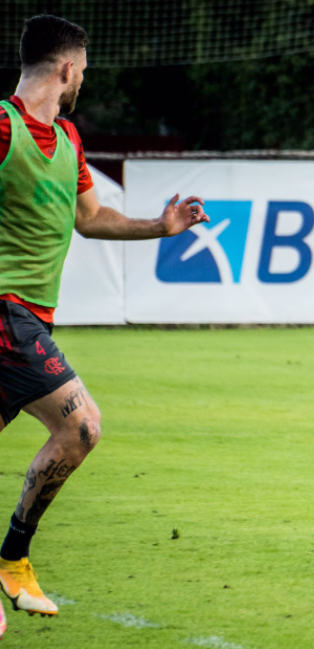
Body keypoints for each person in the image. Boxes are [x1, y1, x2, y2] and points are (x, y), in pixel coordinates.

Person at [0, 15, 209, 630]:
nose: (82, 78)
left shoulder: (67, 139)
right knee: (83, 425)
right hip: (6, 313)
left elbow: (90, 219)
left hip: (32, 317)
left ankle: (12, 562)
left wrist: (159, 227)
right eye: (82, 69)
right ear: (66, 69)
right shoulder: (3, 126)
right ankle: (12, 558)